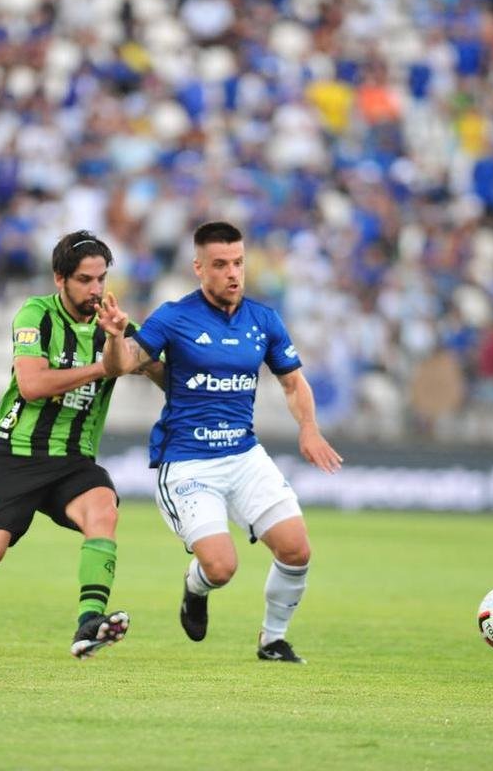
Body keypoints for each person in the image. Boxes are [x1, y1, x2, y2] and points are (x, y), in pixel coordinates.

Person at [0, 231, 161, 658]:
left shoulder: (113, 325)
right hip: (16, 455)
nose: (96, 290)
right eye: (85, 280)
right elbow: (33, 384)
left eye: (101, 279)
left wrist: (123, 344)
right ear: (60, 279)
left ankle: (88, 622)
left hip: (74, 461)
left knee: (103, 510)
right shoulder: (34, 314)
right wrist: (105, 366)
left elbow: (154, 369)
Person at [98, 221, 342, 663]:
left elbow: (292, 383)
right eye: (221, 264)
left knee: (297, 549)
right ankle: (196, 588)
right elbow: (123, 365)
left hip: (245, 456)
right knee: (221, 568)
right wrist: (116, 337)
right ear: (199, 268)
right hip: (189, 463)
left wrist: (309, 429)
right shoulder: (174, 317)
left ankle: (273, 640)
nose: (233, 273)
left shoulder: (263, 320)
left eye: (239, 263)